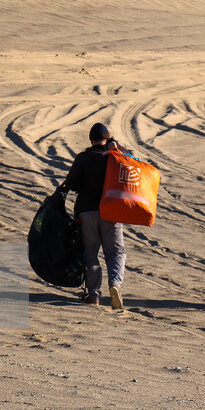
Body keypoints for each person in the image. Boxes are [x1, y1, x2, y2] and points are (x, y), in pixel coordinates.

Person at [58, 123, 126, 309]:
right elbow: (135, 163)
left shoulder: (83, 158)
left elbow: (71, 182)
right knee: (116, 252)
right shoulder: (116, 157)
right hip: (111, 212)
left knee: (90, 255)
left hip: (86, 212)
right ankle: (115, 285)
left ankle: (94, 296)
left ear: (91, 140)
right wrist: (116, 145)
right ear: (107, 139)